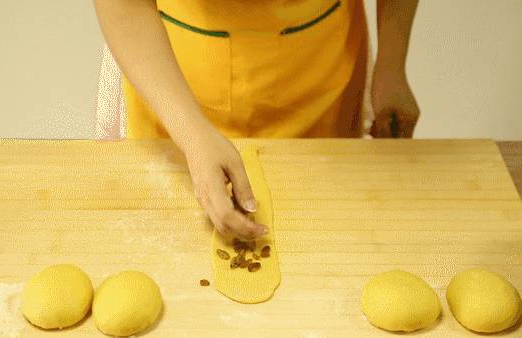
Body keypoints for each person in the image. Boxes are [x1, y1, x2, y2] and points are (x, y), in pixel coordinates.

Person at [93, 0, 420, 240]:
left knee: (324, 233)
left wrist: (392, 65)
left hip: (321, 63)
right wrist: (192, 135)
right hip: (172, 67)